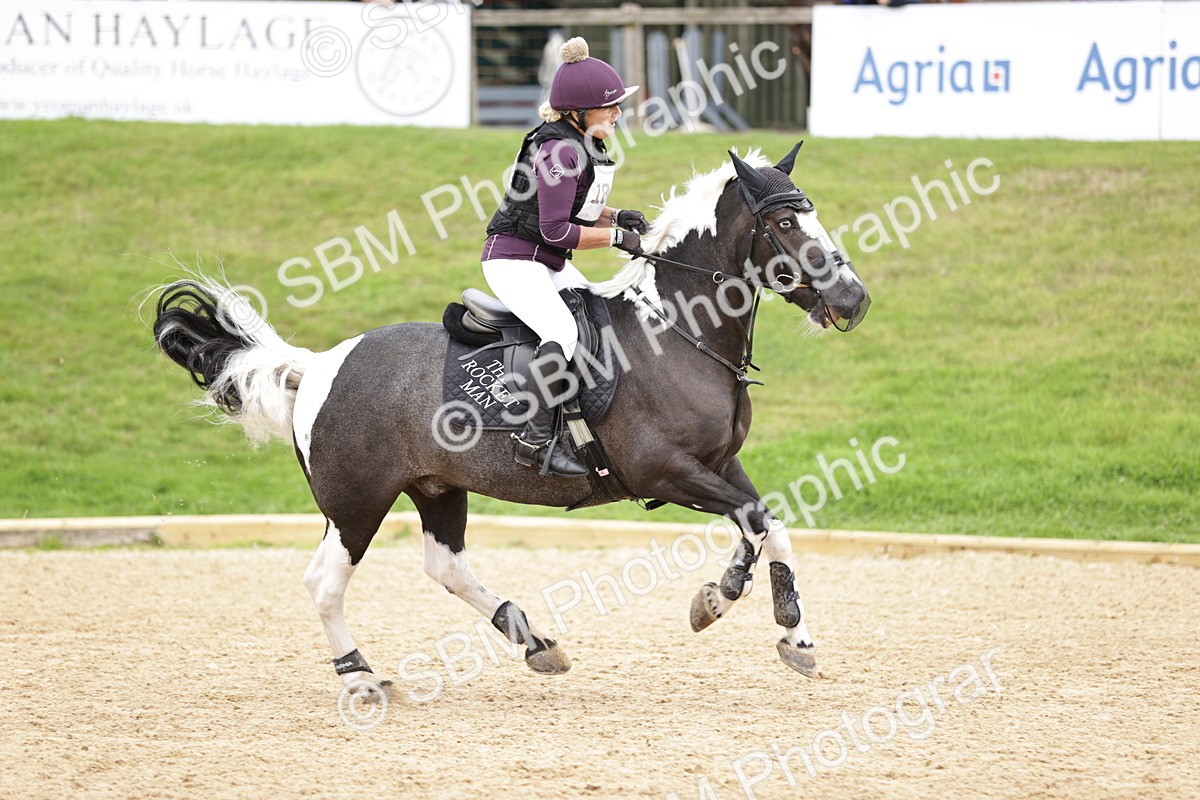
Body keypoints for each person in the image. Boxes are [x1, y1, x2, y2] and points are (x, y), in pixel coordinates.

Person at [482, 36, 650, 478]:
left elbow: (574, 208)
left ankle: (579, 417)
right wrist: (616, 238)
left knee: (597, 310)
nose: (618, 113)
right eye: (609, 106)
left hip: (545, 261)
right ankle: (533, 439)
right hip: (515, 260)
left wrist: (617, 215)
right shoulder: (559, 150)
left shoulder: (579, 143)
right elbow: (555, 229)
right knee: (560, 328)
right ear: (579, 111)